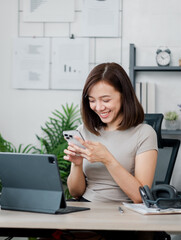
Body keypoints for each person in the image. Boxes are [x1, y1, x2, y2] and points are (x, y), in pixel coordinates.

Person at [64, 62, 158, 203]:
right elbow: (75, 193)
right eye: (92, 100)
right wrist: (77, 165)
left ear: (123, 95)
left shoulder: (144, 133)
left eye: (106, 100)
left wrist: (107, 159)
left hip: (123, 213)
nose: (99, 107)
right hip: (87, 208)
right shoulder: (83, 131)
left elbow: (140, 197)